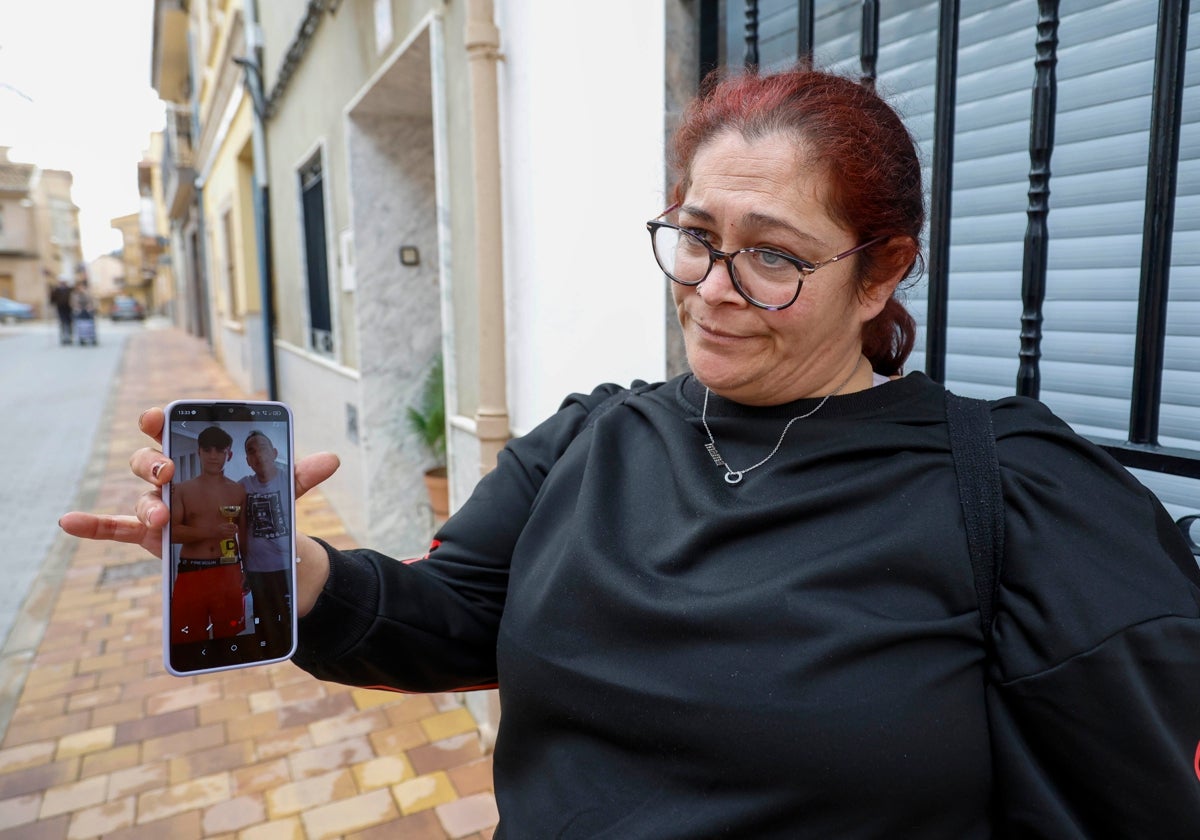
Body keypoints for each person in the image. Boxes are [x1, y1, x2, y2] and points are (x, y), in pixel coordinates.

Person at [61, 66, 1200, 837]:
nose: (713, 291)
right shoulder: (592, 441)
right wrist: (291, 567)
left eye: (773, 258)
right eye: (696, 238)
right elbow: (451, 615)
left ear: (884, 270)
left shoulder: (1008, 490)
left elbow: (1126, 797)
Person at [167, 425, 248, 651]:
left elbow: (244, 536)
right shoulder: (182, 490)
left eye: (220, 450)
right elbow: (172, 533)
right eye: (208, 449)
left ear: (228, 454)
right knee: (187, 638)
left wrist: (247, 569)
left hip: (229, 570)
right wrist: (213, 532)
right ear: (199, 451)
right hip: (194, 570)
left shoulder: (238, 491)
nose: (214, 456)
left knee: (231, 637)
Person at [237, 430, 293, 652]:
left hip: (288, 567)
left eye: (262, 447)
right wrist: (241, 568)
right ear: (248, 461)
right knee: (263, 616)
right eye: (251, 451)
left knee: (291, 616)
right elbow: (239, 530)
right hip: (257, 569)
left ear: (274, 452)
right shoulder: (241, 487)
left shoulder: (289, 479)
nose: (258, 454)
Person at [49, 278, 72, 344]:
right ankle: (63, 338)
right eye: (62, 282)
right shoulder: (56, 290)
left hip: (68, 308)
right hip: (60, 308)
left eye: (64, 282)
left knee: (68, 323)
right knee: (62, 323)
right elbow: (52, 299)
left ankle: (69, 337)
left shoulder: (69, 289)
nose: (63, 284)